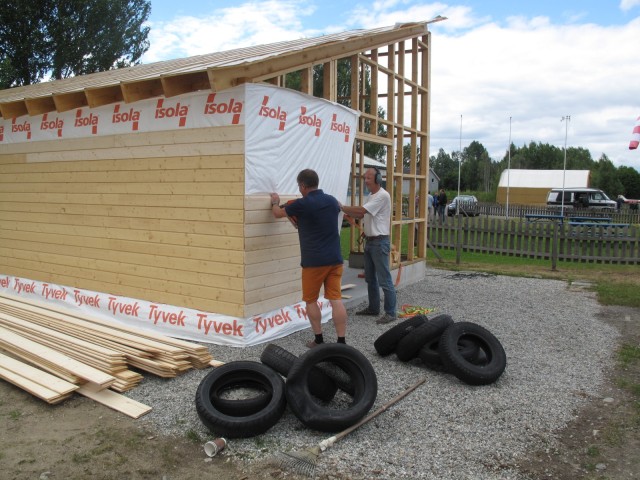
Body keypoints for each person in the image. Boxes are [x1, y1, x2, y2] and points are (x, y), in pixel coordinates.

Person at [270, 169, 347, 348]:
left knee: (311, 300)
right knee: (336, 299)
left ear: (303, 186)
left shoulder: (301, 204)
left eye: (299, 186)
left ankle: (319, 340)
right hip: (335, 259)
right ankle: (341, 341)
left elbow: (276, 213)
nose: (299, 189)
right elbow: (317, 220)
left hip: (314, 262)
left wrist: (275, 202)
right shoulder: (332, 201)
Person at [341, 167, 397, 325]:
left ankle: (391, 312)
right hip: (371, 242)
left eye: (369, 178)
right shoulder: (371, 196)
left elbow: (361, 211)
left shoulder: (382, 196)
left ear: (378, 179)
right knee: (370, 278)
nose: (365, 180)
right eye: (365, 178)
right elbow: (362, 215)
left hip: (379, 243)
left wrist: (342, 207)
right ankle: (373, 308)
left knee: (384, 280)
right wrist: (348, 214)